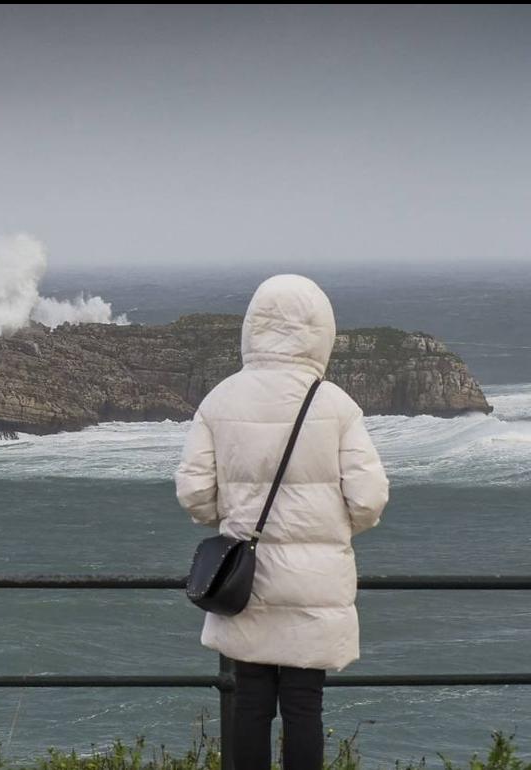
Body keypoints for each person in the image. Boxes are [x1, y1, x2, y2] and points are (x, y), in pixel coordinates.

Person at [174, 275, 389, 770]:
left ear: (253, 329)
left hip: (245, 581)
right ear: (320, 330)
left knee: (249, 702)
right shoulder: (334, 404)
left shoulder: (220, 399)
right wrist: (328, 530)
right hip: (316, 584)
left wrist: (231, 519)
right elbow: (368, 498)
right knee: (303, 706)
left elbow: (195, 493)